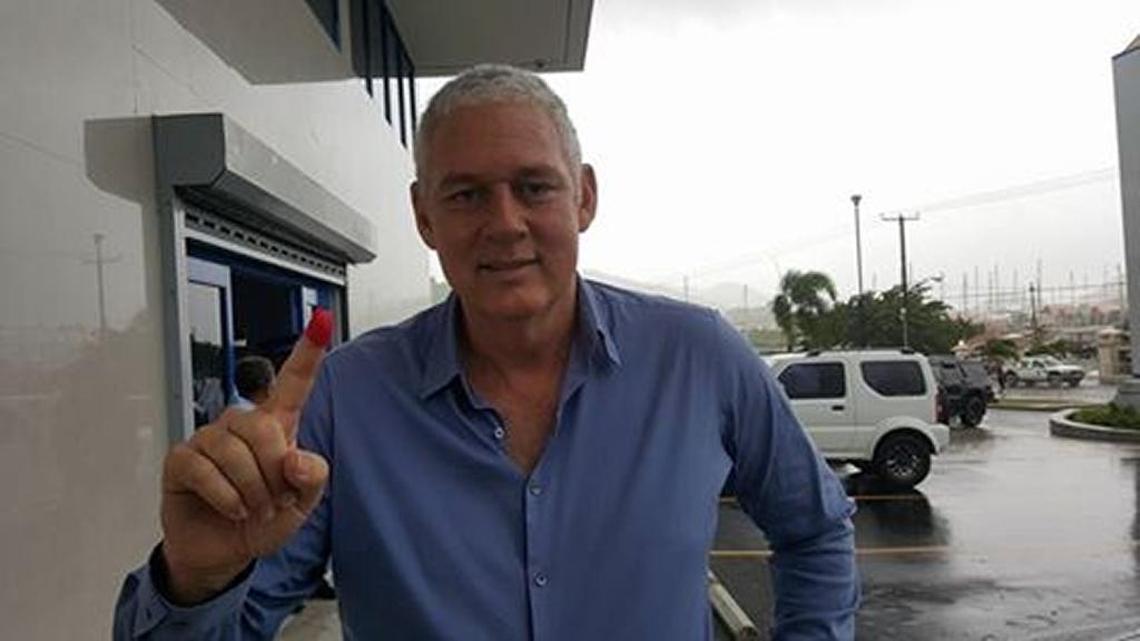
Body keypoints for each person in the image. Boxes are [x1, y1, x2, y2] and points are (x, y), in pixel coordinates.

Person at [114, 64, 858, 640]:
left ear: (585, 198)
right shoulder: (348, 397)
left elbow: (815, 528)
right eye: (466, 194)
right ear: (423, 216)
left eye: (534, 186)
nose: (504, 223)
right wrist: (197, 580)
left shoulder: (701, 359)